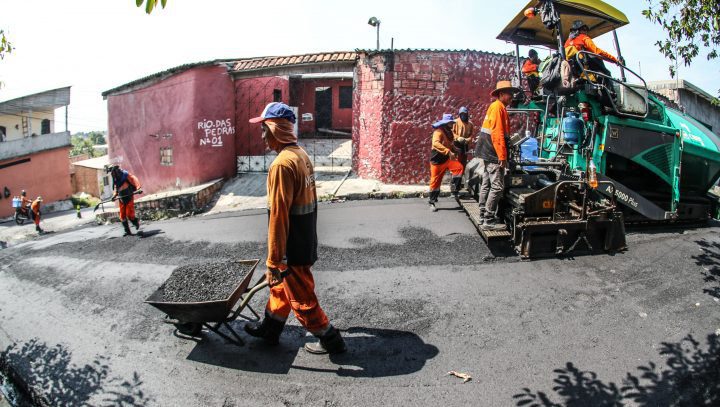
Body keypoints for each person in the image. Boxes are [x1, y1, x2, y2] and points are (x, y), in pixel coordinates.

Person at [244, 102, 346, 355]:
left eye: (263, 129)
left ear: (275, 128)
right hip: (305, 238)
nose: (262, 135)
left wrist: (274, 260)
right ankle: (271, 329)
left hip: (292, 247)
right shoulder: (300, 155)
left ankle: (331, 339)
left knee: (302, 300)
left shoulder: (281, 165)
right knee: (279, 289)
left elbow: (278, 217)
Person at [475, 80, 519, 230]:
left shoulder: (497, 107)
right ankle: (488, 220)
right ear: (501, 94)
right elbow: (498, 134)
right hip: (493, 153)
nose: (512, 97)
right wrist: (502, 156)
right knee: (497, 187)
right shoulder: (498, 108)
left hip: (486, 151)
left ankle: (482, 215)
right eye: (509, 94)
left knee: (487, 183)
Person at [428, 113, 465, 211]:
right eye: (450, 123)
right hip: (437, 161)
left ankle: (454, 190)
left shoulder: (449, 132)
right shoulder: (438, 132)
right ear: (445, 123)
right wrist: (448, 152)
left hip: (447, 159)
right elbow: (435, 143)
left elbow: (450, 144)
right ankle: (432, 202)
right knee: (435, 182)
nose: (452, 124)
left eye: (452, 122)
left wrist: (455, 149)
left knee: (459, 168)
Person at [107, 164, 143, 236]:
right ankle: (127, 231)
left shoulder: (125, 174)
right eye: (111, 172)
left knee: (129, 214)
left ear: (116, 170)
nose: (112, 173)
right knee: (122, 215)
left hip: (128, 195)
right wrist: (114, 196)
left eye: (112, 171)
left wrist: (139, 188)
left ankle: (136, 222)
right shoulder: (115, 179)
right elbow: (116, 189)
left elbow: (133, 179)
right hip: (121, 198)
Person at [452, 106, 475, 171]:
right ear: (459, 114)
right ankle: (455, 175)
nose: (463, 116)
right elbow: (451, 133)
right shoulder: (455, 122)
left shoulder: (470, 124)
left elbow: (471, 135)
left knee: (463, 161)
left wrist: (468, 140)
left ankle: (462, 174)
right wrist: (457, 138)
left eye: (464, 114)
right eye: (461, 114)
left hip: (465, 145)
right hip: (456, 145)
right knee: (456, 161)